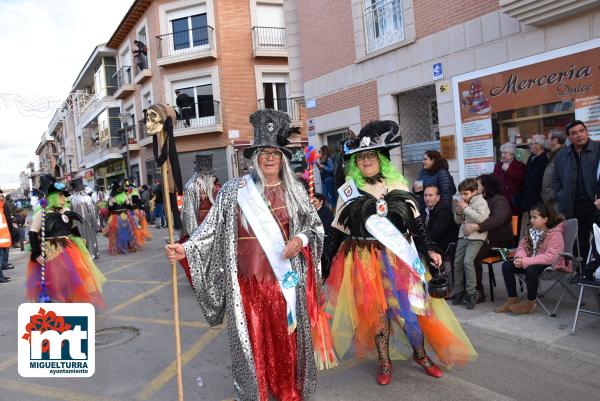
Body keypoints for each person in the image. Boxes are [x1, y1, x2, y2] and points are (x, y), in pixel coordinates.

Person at [165, 109, 328, 401]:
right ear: (254, 158)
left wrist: (300, 238)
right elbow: (210, 229)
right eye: (262, 153)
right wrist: (186, 248)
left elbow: (315, 227)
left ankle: (287, 389)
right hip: (245, 284)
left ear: (282, 159)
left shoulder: (296, 192)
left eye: (274, 154)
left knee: (284, 338)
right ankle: (255, 394)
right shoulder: (233, 191)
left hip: (284, 281)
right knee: (250, 343)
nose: (268, 158)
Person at [324, 120, 476, 386]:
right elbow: (337, 231)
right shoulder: (348, 192)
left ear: (381, 158)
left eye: (371, 155)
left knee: (413, 311)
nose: (367, 160)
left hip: (399, 258)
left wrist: (429, 248)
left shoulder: (398, 184)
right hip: (365, 260)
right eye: (361, 157)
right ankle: (384, 361)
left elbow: (418, 224)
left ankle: (421, 355)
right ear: (355, 163)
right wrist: (324, 262)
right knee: (378, 313)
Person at [26, 175, 105, 306]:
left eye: (64, 195)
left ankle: (68, 306)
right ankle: (57, 307)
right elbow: (33, 232)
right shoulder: (42, 213)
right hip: (50, 252)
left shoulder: (67, 211)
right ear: (52, 197)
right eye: (60, 195)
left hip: (69, 250)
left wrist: (80, 242)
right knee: (55, 282)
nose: (64, 198)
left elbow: (73, 229)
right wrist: (36, 253)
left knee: (72, 280)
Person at [495, 203, 565, 315]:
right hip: (529, 262)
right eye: (531, 217)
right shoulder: (530, 231)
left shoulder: (555, 234)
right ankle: (512, 299)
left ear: (545, 219)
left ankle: (530, 303)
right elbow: (522, 247)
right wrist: (519, 258)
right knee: (507, 266)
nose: (531, 220)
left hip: (549, 265)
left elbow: (551, 257)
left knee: (531, 270)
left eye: (535, 217)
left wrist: (525, 262)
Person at [553, 120, 600, 258]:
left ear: (587, 131)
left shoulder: (598, 149)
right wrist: (561, 197)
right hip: (573, 206)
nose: (579, 135)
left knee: (599, 239)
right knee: (579, 242)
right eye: (574, 133)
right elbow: (556, 180)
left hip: (595, 204)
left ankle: (595, 269)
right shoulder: (562, 155)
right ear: (569, 137)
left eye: (581, 131)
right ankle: (582, 274)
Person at [468, 174, 514, 303]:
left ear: (486, 187)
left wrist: (478, 226)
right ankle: (463, 289)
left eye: (477, 185)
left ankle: (478, 291)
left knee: (472, 255)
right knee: (457, 250)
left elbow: (498, 219)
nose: (474, 188)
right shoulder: (477, 202)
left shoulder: (499, 200)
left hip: (501, 243)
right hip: (484, 240)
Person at [178, 152, 220, 286]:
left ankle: (210, 280)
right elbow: (189, 214)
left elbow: (188, 215)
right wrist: (194, 236)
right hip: (202, 229)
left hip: (212, 228)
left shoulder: (215, 186)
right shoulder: (194, 187)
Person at [452, 178, 490, 309]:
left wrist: (466, 208)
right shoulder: (464, 203)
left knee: (468, 262)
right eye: (461, 194)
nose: (463, 196)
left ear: (474, 192)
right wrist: (458, 213)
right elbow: (458, 221)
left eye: (465, 194)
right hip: (463, 235)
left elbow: (481, 218)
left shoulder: (481, 202)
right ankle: (458, 291)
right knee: (457, 262)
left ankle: (472, 293)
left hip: (477, 237)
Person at [519, 134, 549, 231]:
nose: (529, 146)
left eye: (532, 144)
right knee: (533, 225)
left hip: (540, 198)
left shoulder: (545, 159)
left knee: (542, 225)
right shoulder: (531, 158)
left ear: (539, 145)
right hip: (529, 198)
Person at [103, 180, 140, 255]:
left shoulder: (111, 198)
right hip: (126, 216)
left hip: (116, 217)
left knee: (117, 233)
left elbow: (110, 209)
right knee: (128, 232)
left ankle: (120, 248)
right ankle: (129, 246)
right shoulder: (124, 196)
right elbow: (129, 206)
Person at [422, 185, 458, 256]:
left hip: (446, 245)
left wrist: (421, 241)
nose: (427, 198)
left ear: (438, 197)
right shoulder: (424, 209)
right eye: (425, 195)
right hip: (433, 243)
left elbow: (435, 234)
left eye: (430, 195)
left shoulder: (443, 211)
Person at [69, 177, 99, 259]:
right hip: (88, 222)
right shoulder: (88, 198)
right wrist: (96, 226)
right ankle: (92, 253)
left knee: (80, 238)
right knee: (90, 237)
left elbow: (69, 213)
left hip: (76, 224)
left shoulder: (71, 199)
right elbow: (93, 213)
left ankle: (82, 256)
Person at [493, 142, 525, 215]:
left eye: (505, 153)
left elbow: (520, 179)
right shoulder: (498, 165)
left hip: (514, 200)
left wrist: (508, 170)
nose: (503, 155)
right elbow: (494, 180)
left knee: (515, 223)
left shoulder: (519, 165)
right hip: (501, 200)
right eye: (502, 153)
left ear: (512, 154)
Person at [541, 129, 566, 211]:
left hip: (558, 202)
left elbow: (566, 180)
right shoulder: (552, 155)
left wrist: (553, 195)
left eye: (548, 138)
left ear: (555, 140)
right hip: (552, 202)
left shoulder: (563, 156)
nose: (546, 141)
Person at [312, 192, 334, 279]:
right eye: (311, 202)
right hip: (314, 238)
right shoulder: (311, 212)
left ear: (321, 202)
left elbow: (325, 227)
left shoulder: (326, 213)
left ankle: (324, 275)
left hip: (325, 239)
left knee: (323, 257)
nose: (312, 203)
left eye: (315, 201)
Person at [0, 190, 13, 282]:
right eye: (0, 196)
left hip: (3, 239)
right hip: (1, 239)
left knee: (1, 259)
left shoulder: (1, 208)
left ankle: (1, 276)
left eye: (2, 196)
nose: (1, 198)